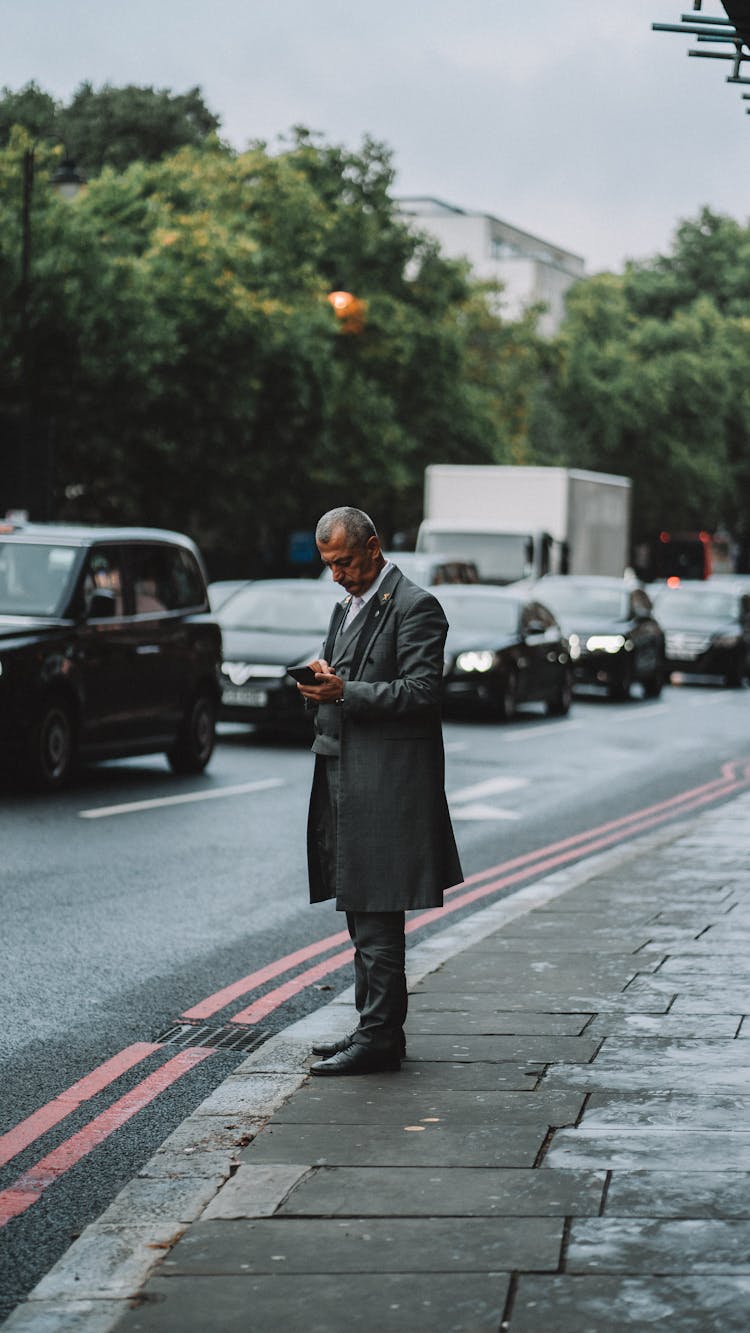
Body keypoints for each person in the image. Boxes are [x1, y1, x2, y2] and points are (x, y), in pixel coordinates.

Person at [296, 506, 463, 1076]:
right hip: (347, 776)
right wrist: (324, 680)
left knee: (377, 919)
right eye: (329, 565)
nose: (336, 575)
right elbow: (350, 678)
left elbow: (422, 692)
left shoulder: (417, 607)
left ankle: (380, 1041)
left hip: (388, 786)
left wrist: (345, 693)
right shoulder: (347, 605)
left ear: (373, 546)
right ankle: (374, 1028)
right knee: (360, 915)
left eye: (343, 562)